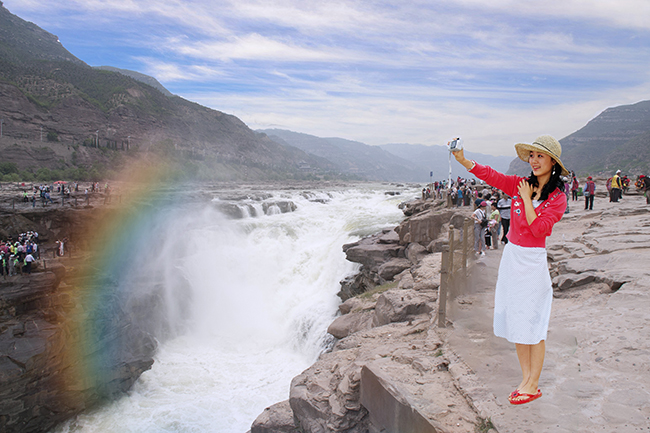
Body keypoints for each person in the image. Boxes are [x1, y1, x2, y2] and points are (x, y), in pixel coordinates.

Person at [452, 134, 568, 405]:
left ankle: (534, 384)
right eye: (532, 155)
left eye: (541, 156)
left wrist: (527, 199)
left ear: (553, 161)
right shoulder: (519, 184)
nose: (535, 161)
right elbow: (492, 176)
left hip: (533, 261)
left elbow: (538, 228)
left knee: (533, 323)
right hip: (513, 257)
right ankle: (525, 379)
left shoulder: (558, 198)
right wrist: (464, 161)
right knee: (517, 319)